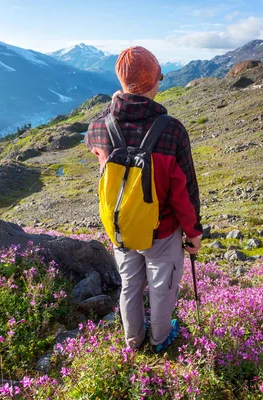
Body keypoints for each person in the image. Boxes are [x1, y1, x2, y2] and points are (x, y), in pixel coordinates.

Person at [84, 46, 203, 352]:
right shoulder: (171, 130)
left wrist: (115, 103)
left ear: (121, 82)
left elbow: (91, 146)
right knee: (162, 291)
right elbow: (185, 189)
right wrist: (193, 233)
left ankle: (133, 341)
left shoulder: (100, 126)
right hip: (162, 231)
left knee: (129, 287)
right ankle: (161, 341)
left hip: (121, 227)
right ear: (154, 83)